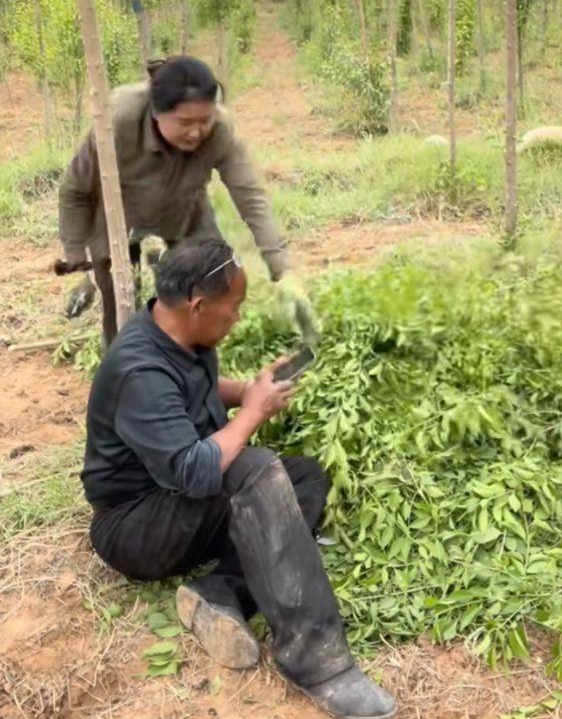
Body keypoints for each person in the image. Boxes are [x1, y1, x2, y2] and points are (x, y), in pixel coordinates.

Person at [81, 237, 396, 719]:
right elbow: (194, 471)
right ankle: (319, 662)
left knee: (305, 476)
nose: (238, 318)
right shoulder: (138, 369)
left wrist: (248, 390)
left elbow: (199, 390)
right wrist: (252, 414)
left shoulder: (185, 335)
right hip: (136, 527)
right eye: (235, 308)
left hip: (177, 503)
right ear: (198, 304)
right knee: (253, 467)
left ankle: (219, 592)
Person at [59, 55, 311, 345]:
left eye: (205, 120)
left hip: (185, 212)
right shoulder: (117, 122)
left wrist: (282, 270)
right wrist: (79, 261)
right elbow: (75, 191)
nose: (196, 132)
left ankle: (193, 359)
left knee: (213, 284)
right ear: (156, 112)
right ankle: (130, 371)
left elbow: (251, 197)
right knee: (121, 313)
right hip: (118, 219)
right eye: (185, 122)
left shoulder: (219, 130)